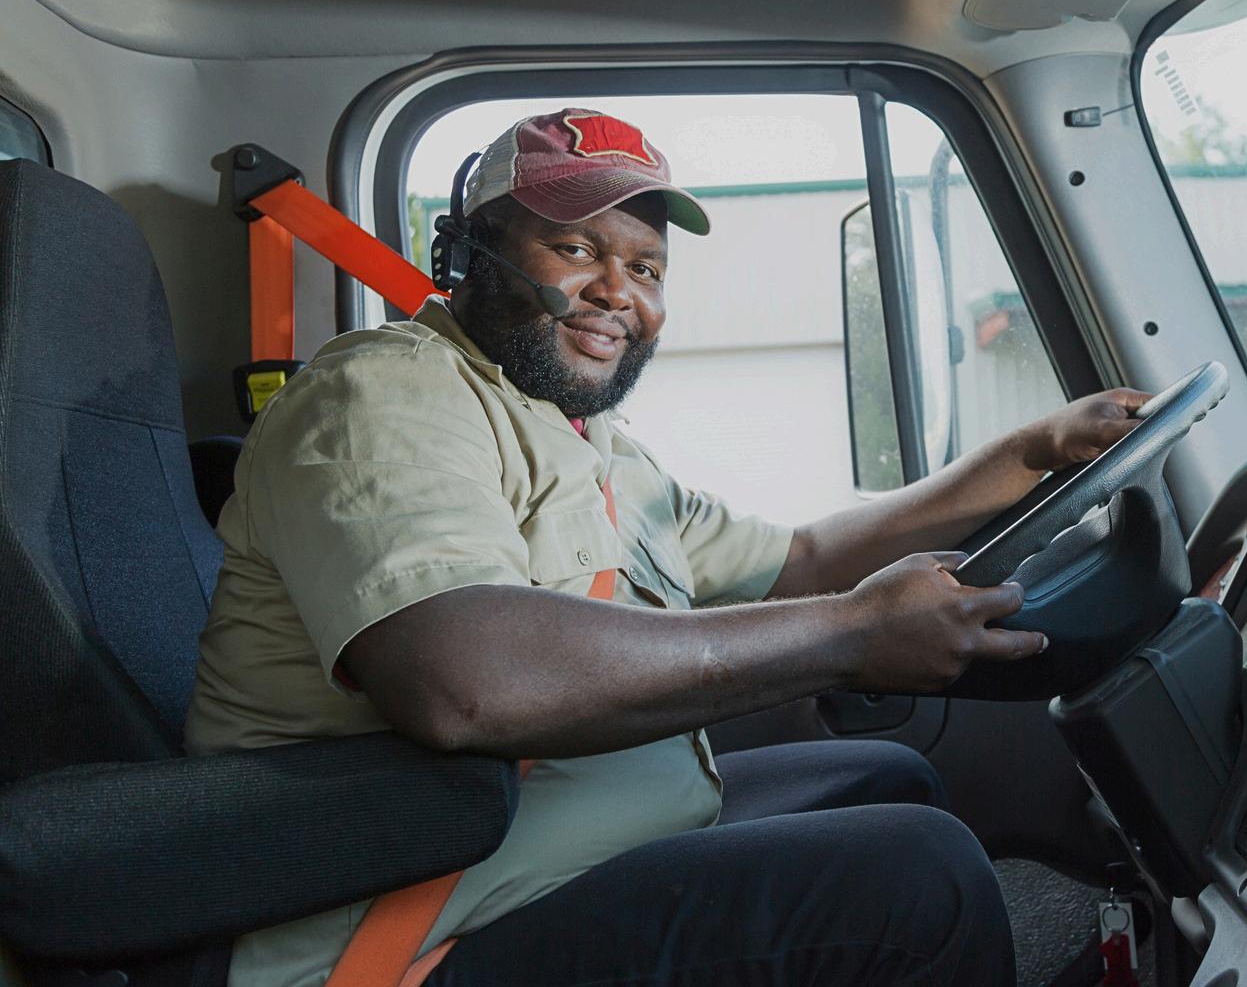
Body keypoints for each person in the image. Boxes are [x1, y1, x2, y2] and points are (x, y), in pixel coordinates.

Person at [186, 109, 1151, 987]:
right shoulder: (383, 396)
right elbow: (466, 681)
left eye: (646, 268)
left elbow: (801, 560)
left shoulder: (591, 444)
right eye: (576, 247)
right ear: (468, 253)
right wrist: (852, 635)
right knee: (921, 879)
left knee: (888, 781)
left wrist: (1032, 452)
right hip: (418, 938)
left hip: (569, 855)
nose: (618, 292)